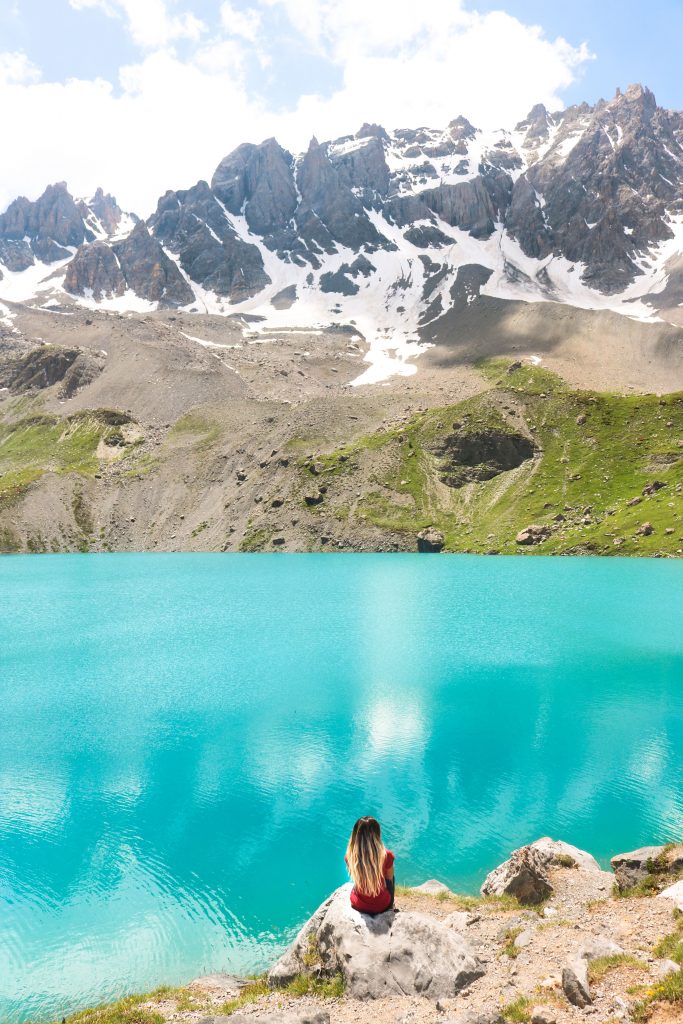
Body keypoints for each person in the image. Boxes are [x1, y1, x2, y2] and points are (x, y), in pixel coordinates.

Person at [345, 816, 395, 914]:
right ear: (377, 833)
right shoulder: (387, 855)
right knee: (392, 878)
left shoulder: (349, 856)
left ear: (355, 835)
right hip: (382, 906)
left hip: (358, 905)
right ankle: (391, 907)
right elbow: (389, 878)